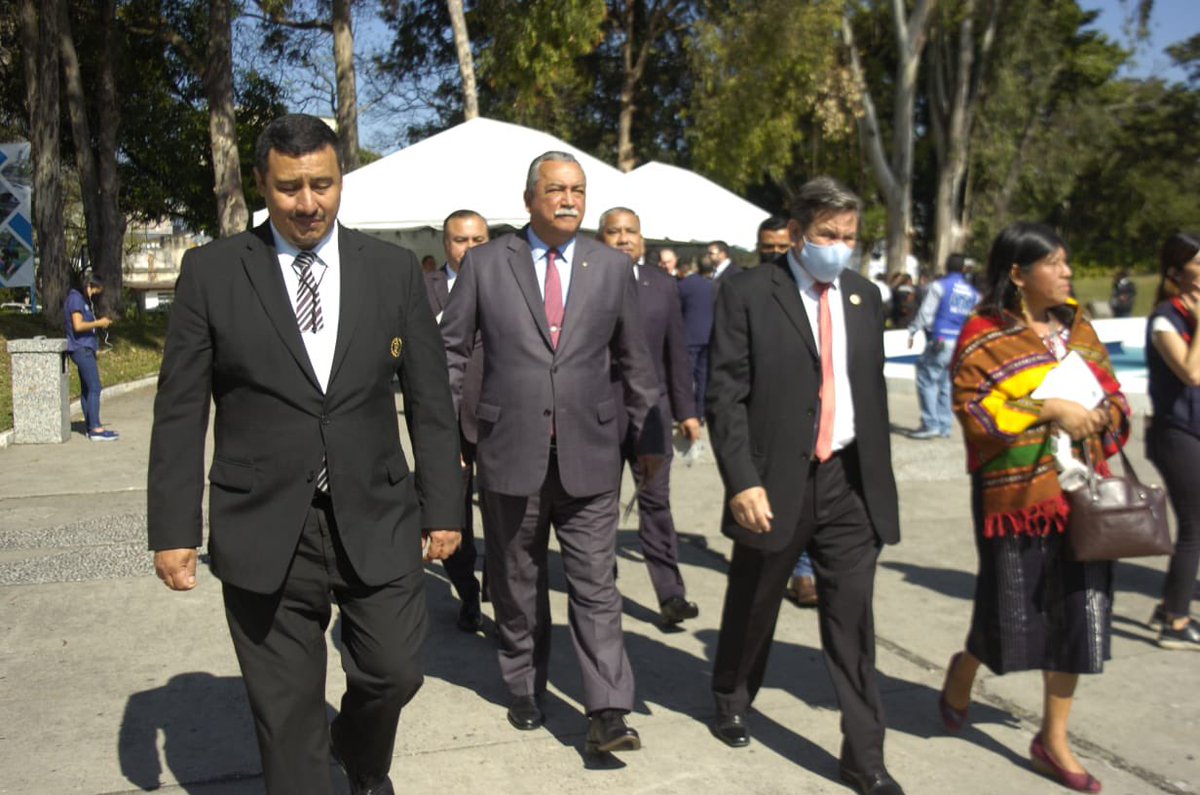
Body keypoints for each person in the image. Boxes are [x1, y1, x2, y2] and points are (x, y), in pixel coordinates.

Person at [147, 114, 463, 795]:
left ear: (340, 179)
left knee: (395, 669)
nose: (308, 202)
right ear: (262, 184)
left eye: (322, 183)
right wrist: (172, 529)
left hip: (377, 511)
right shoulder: (212, 273)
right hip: (263, 522)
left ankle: (357, 748)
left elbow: (431, 402)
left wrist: (444, 505)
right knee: (287, 716)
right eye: (289, 187)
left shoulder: (394, 271)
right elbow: (179, 410)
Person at [439, 151, 664, 754]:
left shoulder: (612, 267)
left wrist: (650, 438)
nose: (569, 200)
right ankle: (523, 685)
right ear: (530, 199)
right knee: (517, 580)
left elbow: (635, 360)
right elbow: (453, 352)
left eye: (578, 191)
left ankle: (608, 710)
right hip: (509, 452)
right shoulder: (488, 264)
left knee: (596, 585)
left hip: (591, 455)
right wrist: (456, 440)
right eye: (557, 190)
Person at [707, 176, 903, 795]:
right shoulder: (746, 293)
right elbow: (726, 396)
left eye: (848, 236)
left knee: (853, 623)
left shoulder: (864, 296)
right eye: (827, 234)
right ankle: (734, 693)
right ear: (796, 233)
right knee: (755, 600)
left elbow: (867, 391)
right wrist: (742, 480)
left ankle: (863, 757)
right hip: (775, 481)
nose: (839, 246)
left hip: (849, 482)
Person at [939, 222, 1130, 794]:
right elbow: (976, 412)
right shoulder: (982, 333)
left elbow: (1115, 396)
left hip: (1082, 492)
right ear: (1019, 274)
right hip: (1015, 495)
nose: (1067, 273)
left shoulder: (1079, 326)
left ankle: (1053, 739)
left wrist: (1096, 417)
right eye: (1056, 264)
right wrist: (1052, 408)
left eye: (1067, 263)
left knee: (1080, 610)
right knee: (1010, 610)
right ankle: (965, 667)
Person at [598, 207, 703, 624]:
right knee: (599, 505)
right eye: (614, 232)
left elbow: (676, 354)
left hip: (653, 414)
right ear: (600, 239)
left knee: (656, 503)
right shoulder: (589, 282)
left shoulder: (662, 286)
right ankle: (601, 583)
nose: (624, 238)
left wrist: (687, 411)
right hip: (599, 412)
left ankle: (671, 595)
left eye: (631, 232)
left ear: (642, 239)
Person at [424, 209, 490, 633]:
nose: (469, 249)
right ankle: (467, 591)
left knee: (509, 517)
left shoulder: (508, 284)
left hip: (501, 421)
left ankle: (501, 591)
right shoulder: (421, 288)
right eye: (461, 240)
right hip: (446, 422)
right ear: (445, 244)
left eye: (479, 240)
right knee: (452, 514)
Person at [757, 214, 819, 606]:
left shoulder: (811, 293)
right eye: (769, 248)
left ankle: (804, 572)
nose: (776, 254)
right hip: (759, 421)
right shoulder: (740, 290)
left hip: (806, 415)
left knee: (805, 498)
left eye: (783, 248)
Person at [1144, 232, 1200, 650]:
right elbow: (1191, 373)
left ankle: (1168, 607)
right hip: (1175, 433)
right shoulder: (1167, 318)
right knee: (1194, 529)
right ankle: (1175, 622)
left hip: (1193, 431)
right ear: (1178, 272)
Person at [907, 254, 979, 440]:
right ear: (964, 269)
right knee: (946, 383)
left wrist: (913, 329)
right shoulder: (971, 292)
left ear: (946, 266)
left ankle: (930, 423)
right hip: (959, 341)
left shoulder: (939, 286)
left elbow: (926, 312)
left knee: (926, 379)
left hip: (940, 338)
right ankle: (944, 425)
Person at [64, 275, 118, 441]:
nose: (93, 294)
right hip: (81, 349)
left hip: (85, 348)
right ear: (88, 285)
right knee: (95, 387)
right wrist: (99, 323)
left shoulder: (80, 300)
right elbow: (78, 325)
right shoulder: (76, 299)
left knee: (88, 389)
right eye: (93, 290)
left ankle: (90, 425)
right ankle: (95, 428)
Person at [678, 250, 715, 420]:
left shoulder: (685, 284)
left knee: (685, 377)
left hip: (688, 335)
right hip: (708, 336)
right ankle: (700, 412)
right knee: (703, 377)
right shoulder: (714, 287)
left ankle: (685, 413)